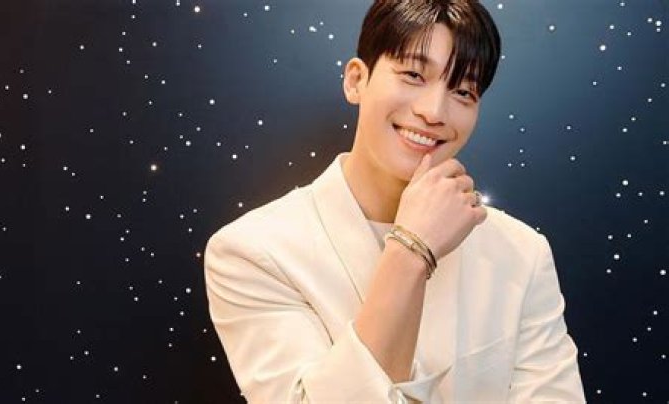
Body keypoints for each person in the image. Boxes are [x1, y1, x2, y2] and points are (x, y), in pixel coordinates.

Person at [204, 0, 586, 402]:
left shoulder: (522, 252)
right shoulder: (252, 252)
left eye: (462, 92)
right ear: (356, 80)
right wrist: (412, 249)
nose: (434, 112)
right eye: (413, 75)